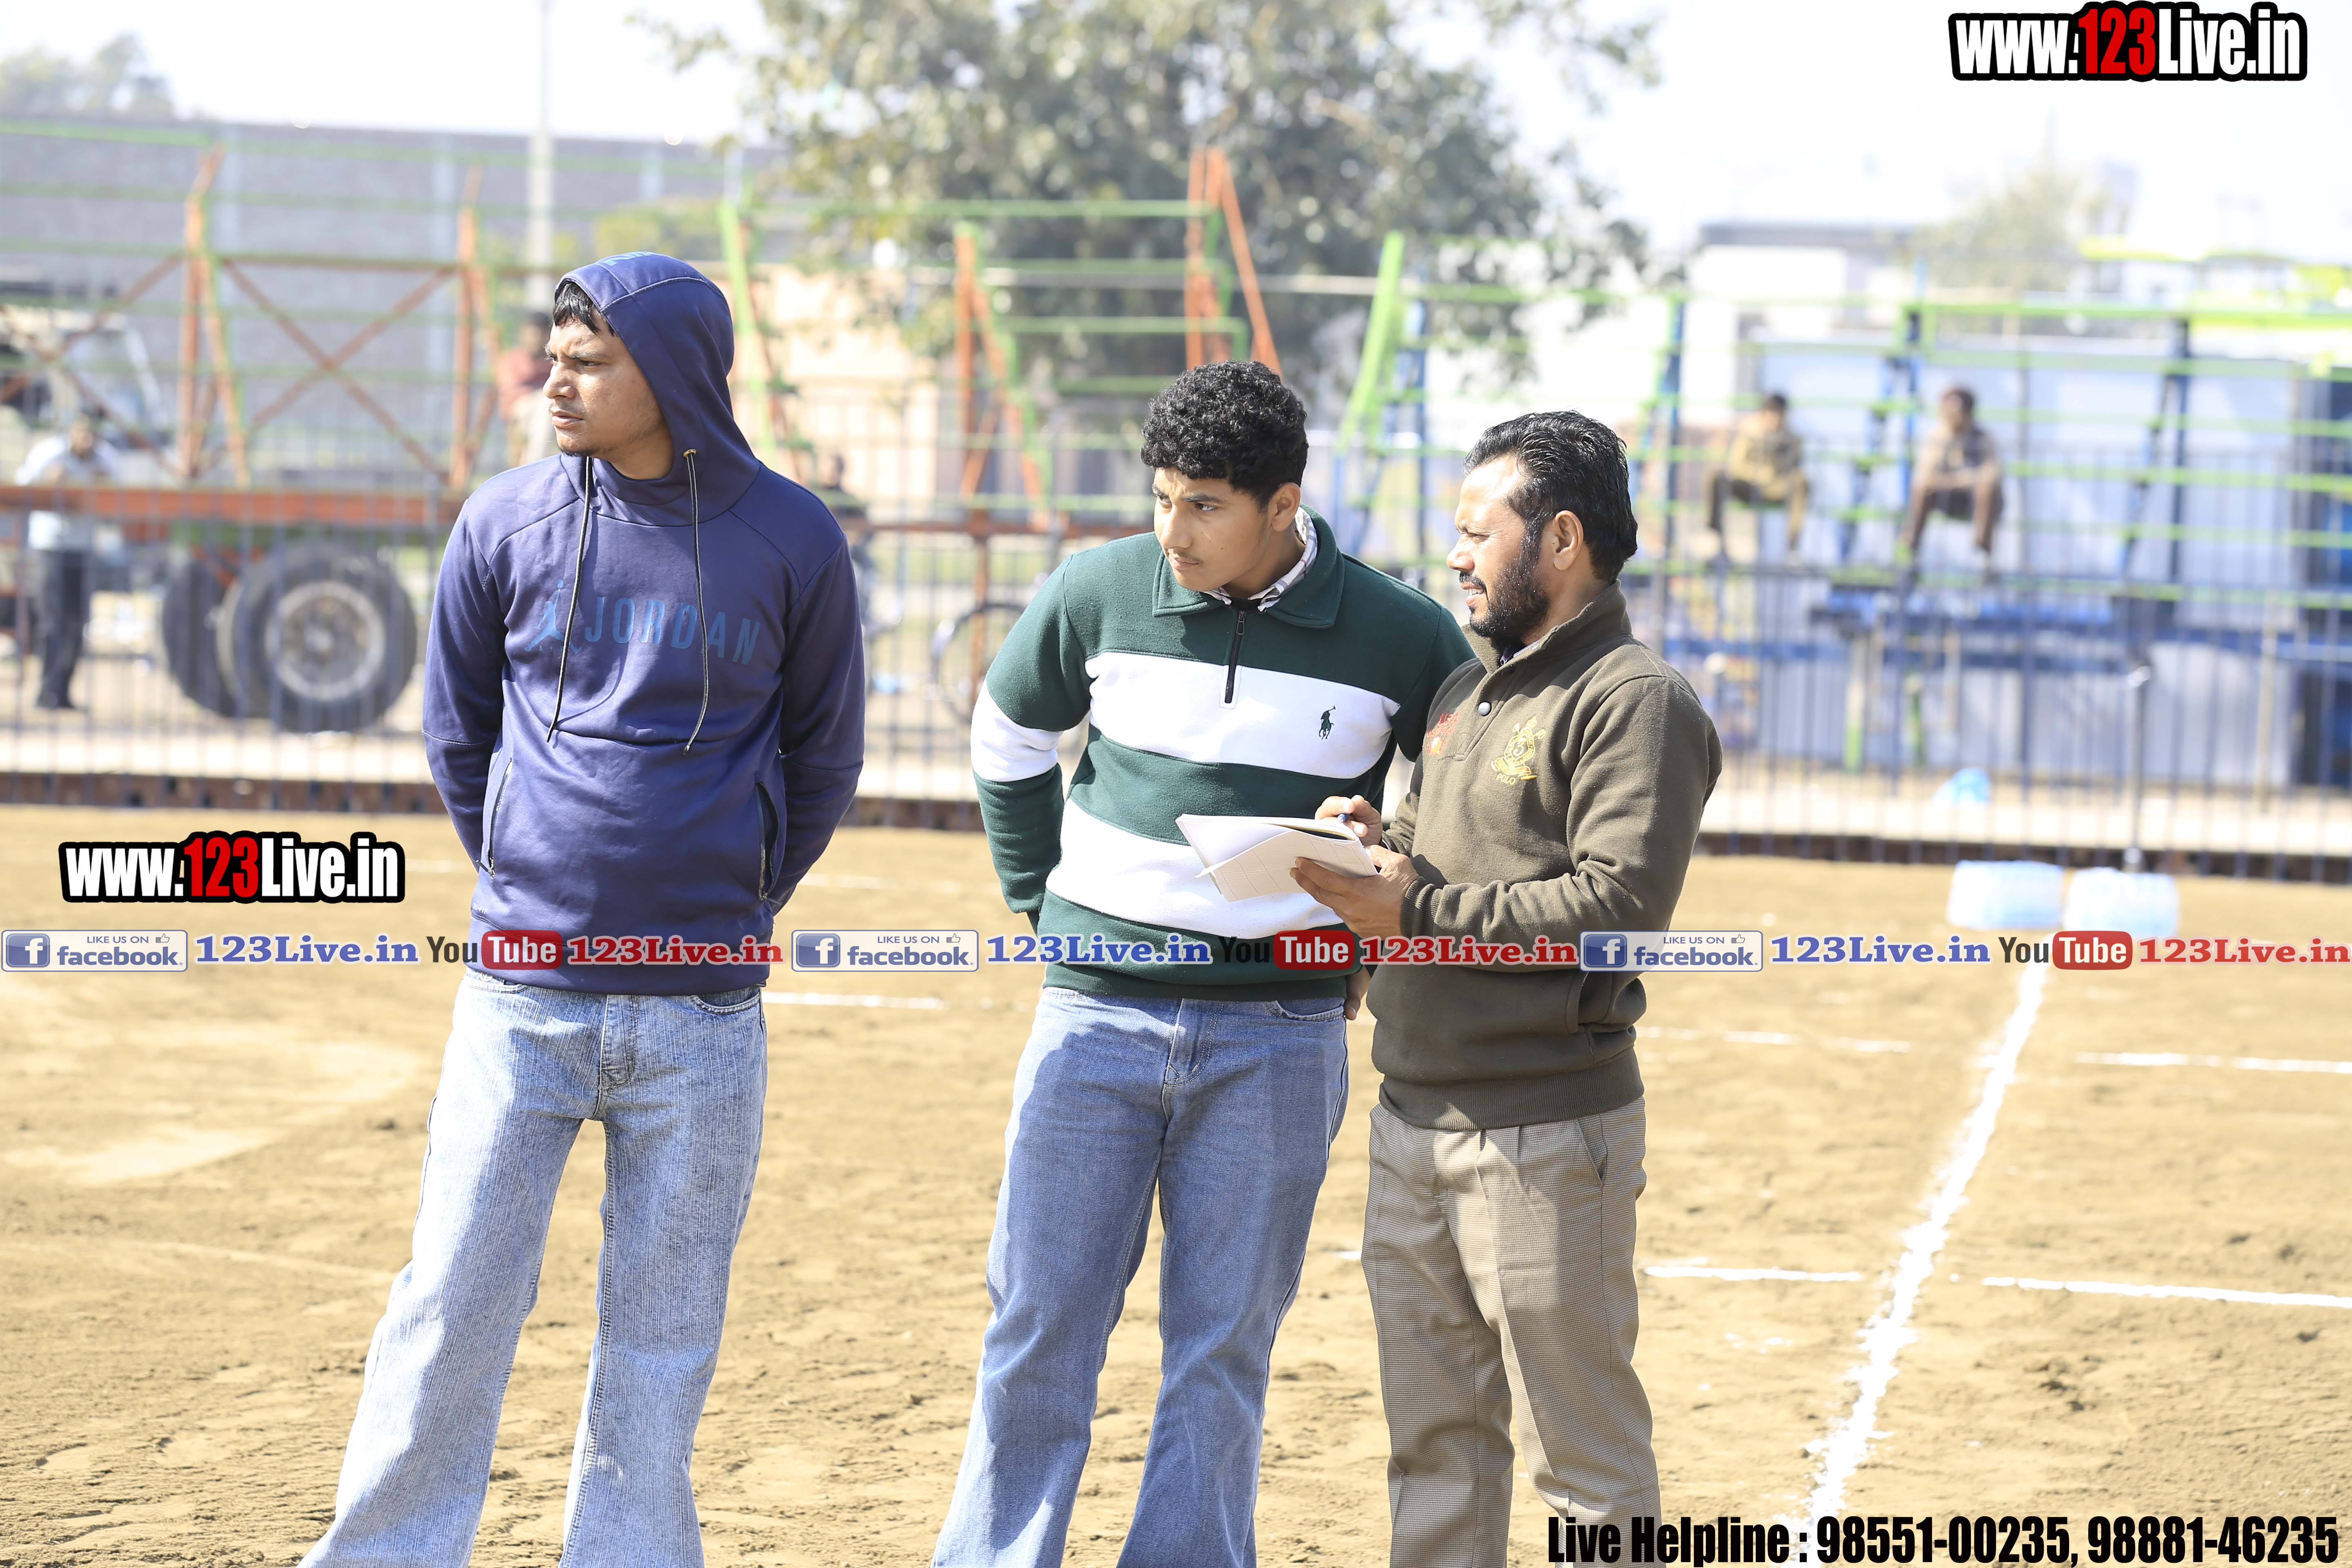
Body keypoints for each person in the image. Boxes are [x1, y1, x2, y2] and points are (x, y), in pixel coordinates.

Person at [301, 255, 865, 1567]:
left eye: (591, 360)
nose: (555, 380)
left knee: (663, 1332)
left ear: (673, 373)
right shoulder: (503, 520)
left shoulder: (793, 537)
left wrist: (737, 890)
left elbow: (824, 753)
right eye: (553, 356)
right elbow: (458, 735)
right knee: (450, 1300)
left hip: (703, 1009)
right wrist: (532, 874)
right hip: (523, 994)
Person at [940, 359, 1473, 1568]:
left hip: (1279, 1033)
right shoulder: (1097, 588)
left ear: (1283, 504)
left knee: (1223, 1344)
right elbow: (1008, 732)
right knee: (1037, 1325)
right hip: (1093, 1015)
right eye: (1162, 497)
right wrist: (1036, 898)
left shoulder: (1401, 632)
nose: (1171, 532)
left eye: (1203, 506)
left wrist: (1387, 866)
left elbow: (1465, 794)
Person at [1293, 410, 1721, 1564]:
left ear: (1562, 539)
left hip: (1545, 1137)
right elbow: (1435, 867)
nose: (1455, 556)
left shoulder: (1634, 700)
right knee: (1434, 1451)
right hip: (1409, 1123)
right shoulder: (1459, 692)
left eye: (1478, 532)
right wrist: (1374, 850)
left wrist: (1414, 908)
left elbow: (1615, 912)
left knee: (1585, 1466)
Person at [14, 413, 114, 711]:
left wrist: (105, 486)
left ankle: (64, 692)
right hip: (50, 547)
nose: (87, 439)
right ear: (71, 431)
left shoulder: (106, 459)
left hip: (83, 549)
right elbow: (19, 488)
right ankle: (46, 692)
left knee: (77, 623)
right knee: (51, 622)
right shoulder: (48, 454)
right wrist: (49, 484)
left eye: (93, 433)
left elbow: (123, 499)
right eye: (82, 432)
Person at [1904, 385, 2003, 572]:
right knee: (1921, 489)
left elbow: (1992, 475)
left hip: (1972, 501)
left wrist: (1950, 480)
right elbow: (1925, 475)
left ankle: (1984, 555)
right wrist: (1964, 480)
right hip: (1944, 498)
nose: (1954, 419)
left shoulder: (1983, 438)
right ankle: (1912, 552)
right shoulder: (1936, 438)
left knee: (1987, 490)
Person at [1705, 391, 1808, 549]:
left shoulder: (1792, 440)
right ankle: (1716, 539)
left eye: (1780, 415)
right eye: (1772, 414)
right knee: (1716, 479)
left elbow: (1793, 467)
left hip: (1776, 488)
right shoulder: (1749, 435)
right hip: (1749, 486)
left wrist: (1779, 446)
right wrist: (1758, 472)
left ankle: (1793, 545)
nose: (1775, 420)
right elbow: (1736, 466)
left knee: (1800, 481)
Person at [498, 311, 555, 470]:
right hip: (520, 411)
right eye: (532, 333)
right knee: (545, 404)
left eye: (540, 334)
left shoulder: (554, 360)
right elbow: (512, 392)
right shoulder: (513, 360)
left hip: (549, 411)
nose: (536, 338)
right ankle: (534, 466)